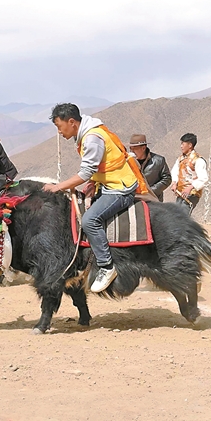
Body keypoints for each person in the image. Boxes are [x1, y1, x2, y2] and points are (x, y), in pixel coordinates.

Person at [44, 103, 146, 293]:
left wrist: (58, 187)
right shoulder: (88, 134)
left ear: (72, 122)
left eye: (59, 126)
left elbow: (85, 172)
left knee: (89, 221)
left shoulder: (92, 138)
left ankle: (107, 267)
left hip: (119, 189)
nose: (59, 131)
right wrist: (93, 183)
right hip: (107, 185)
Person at [170, 133, 208, 214]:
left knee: (183, 214)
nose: (181, 146)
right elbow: (175, 171)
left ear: (190, 145)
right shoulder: (180, 159)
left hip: (192, 193)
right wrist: (174, 183)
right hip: (181, 192)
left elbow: (203, 178)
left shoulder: (198, 160)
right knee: (176, 214)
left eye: (183, 144)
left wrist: (190, 187)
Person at [129, 134, 171, 202]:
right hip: (135, 200)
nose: (132, 151)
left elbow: (167, 179)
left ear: (143, 148)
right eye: (131, 148)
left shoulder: (159, 161)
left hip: (154, 201)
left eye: (135, 148)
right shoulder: (128, 162)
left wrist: (151, 191)